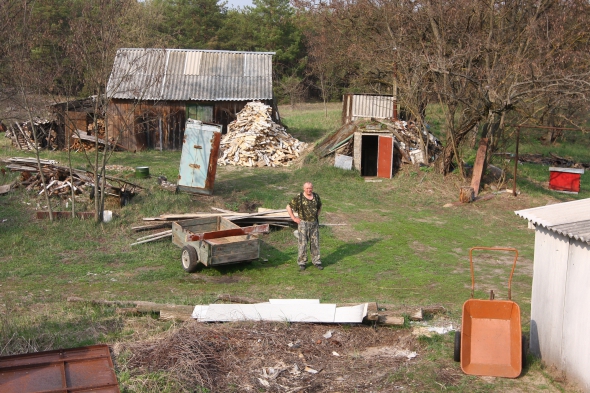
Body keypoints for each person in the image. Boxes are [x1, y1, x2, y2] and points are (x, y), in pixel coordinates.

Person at [286, 182, 323, 271]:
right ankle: (302, 262)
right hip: (303, 224)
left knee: (315, 243)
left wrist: (316, 215)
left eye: (310, 188)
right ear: (304, 189)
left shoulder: (316, 196)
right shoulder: (299, 197)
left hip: (314, 224)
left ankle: (316, 261)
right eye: (307, 188)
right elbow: (288, 206)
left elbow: (320, 206)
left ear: (312, 188)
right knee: (302, 244)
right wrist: (294, 218)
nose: (309, 190)